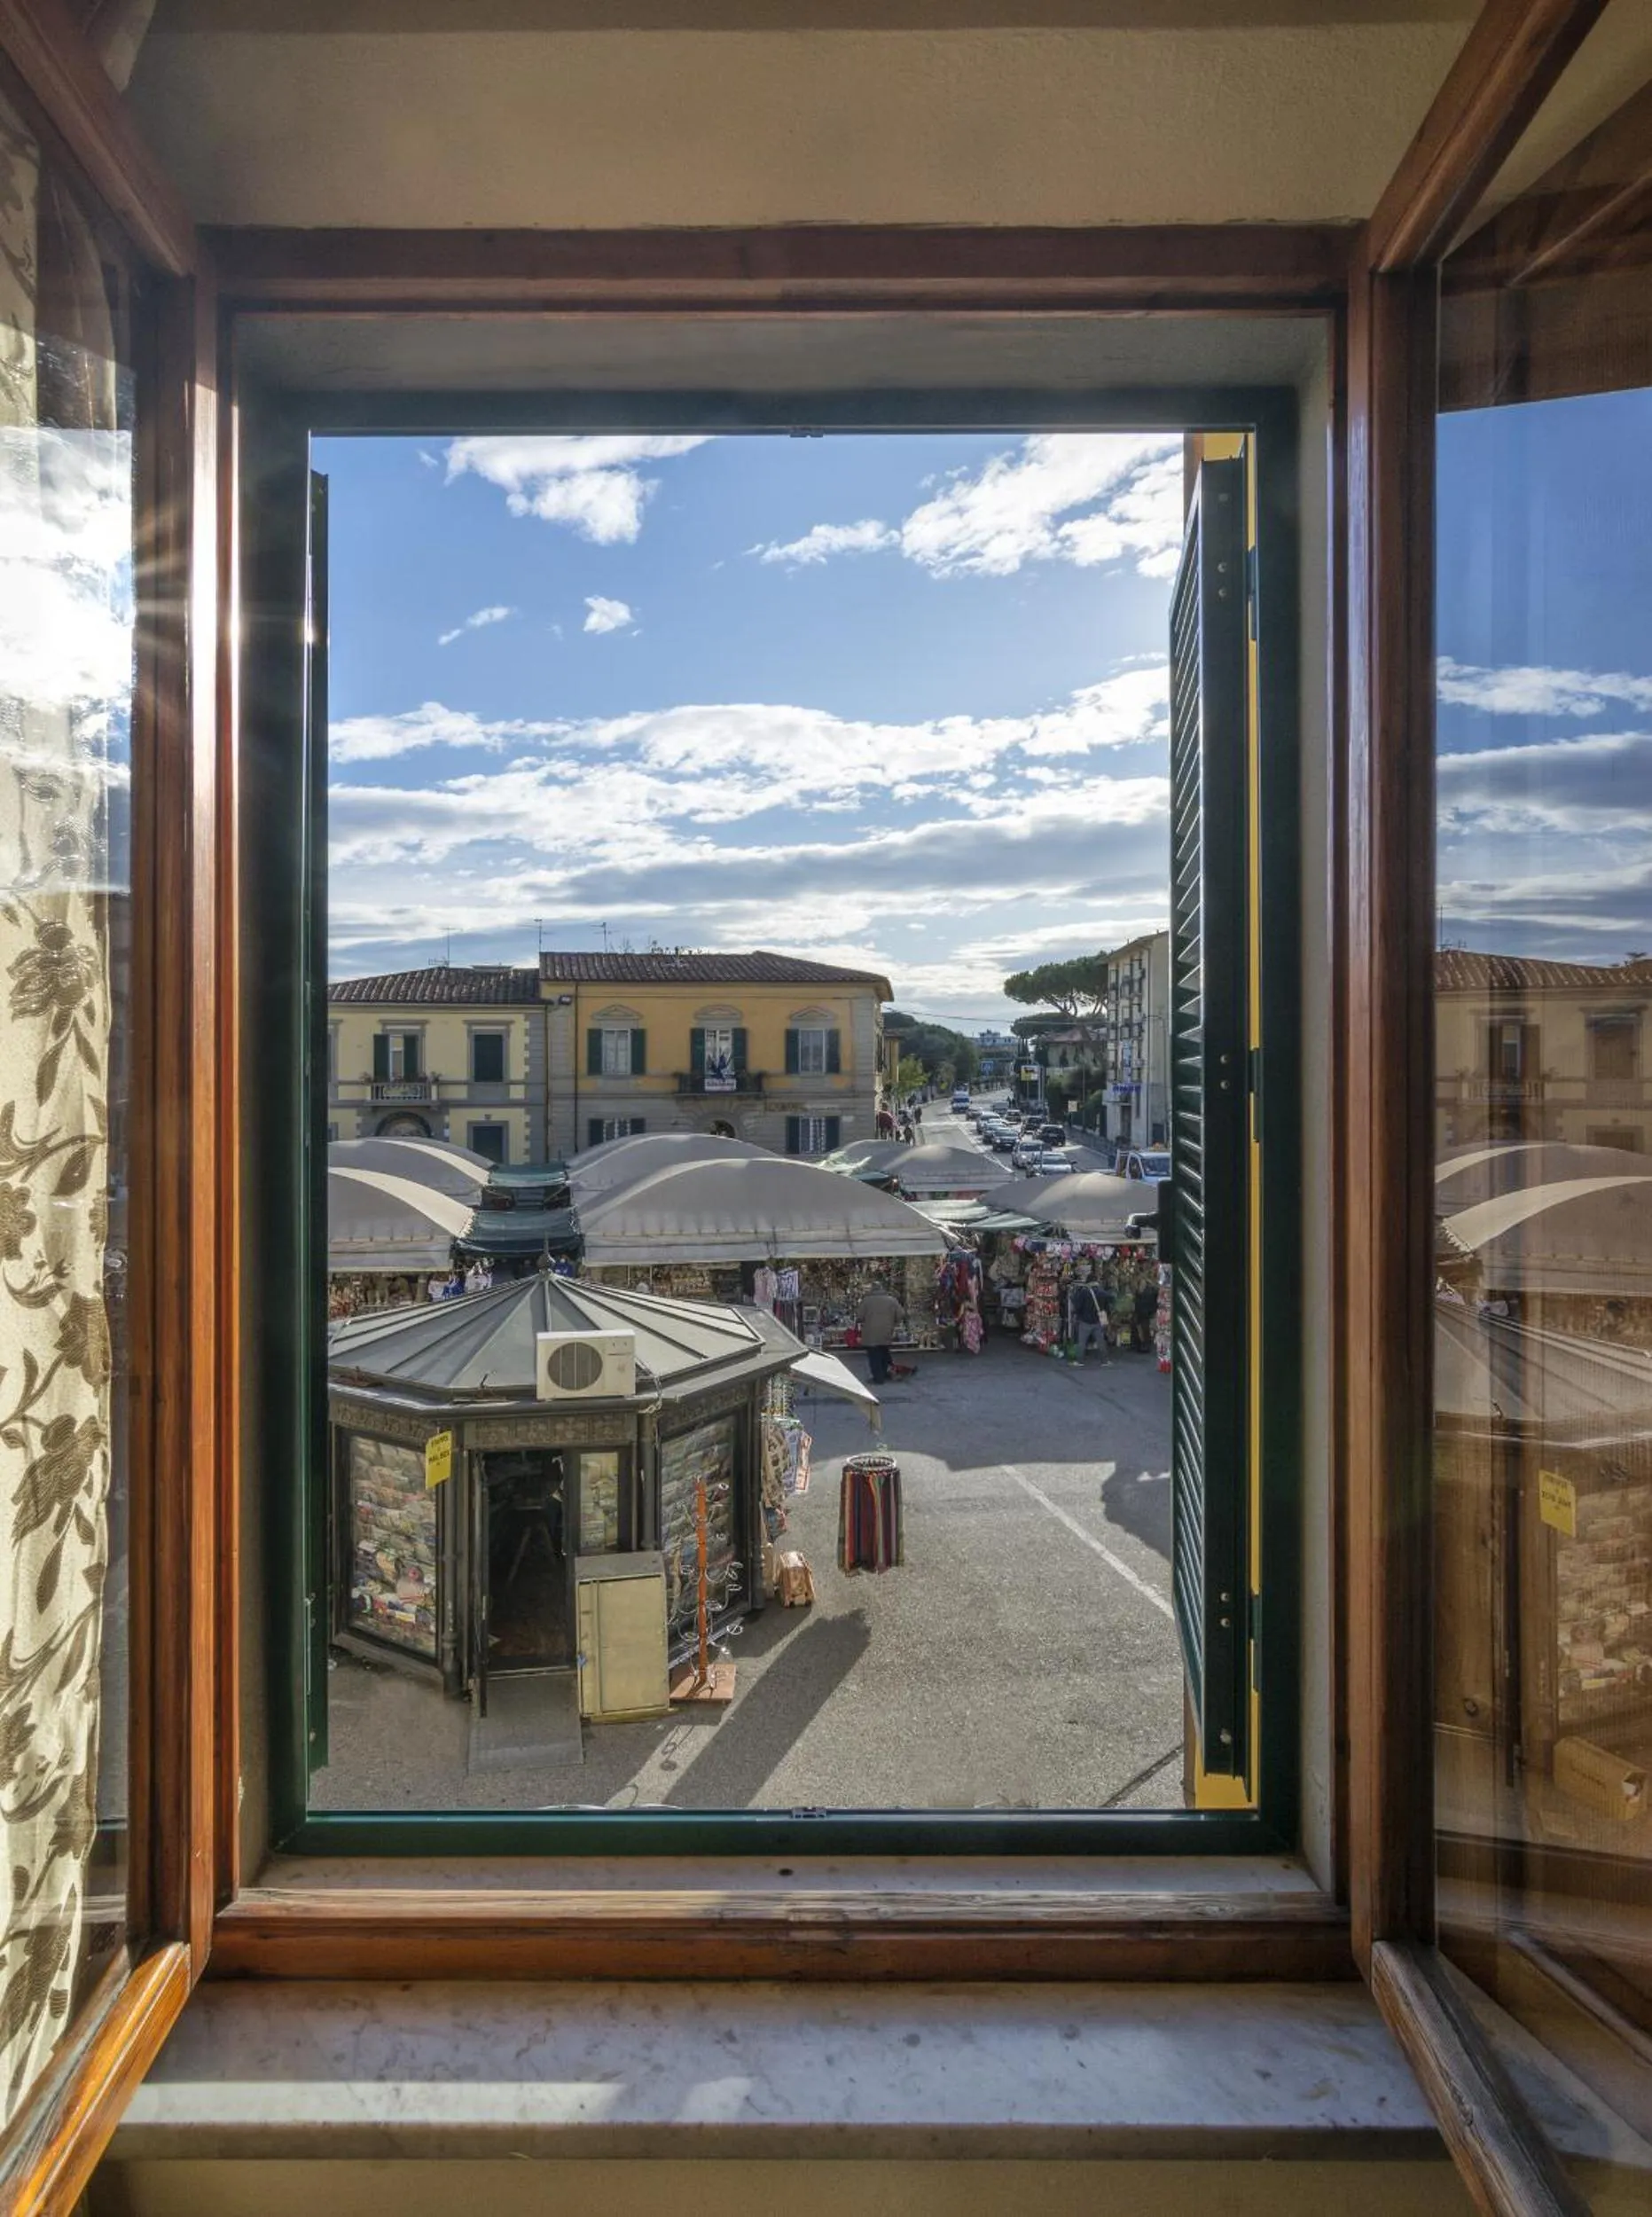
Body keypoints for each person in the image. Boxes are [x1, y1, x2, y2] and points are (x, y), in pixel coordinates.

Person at [857, 1278, 906, 1387]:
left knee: (874, 1356)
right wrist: (894, 1322)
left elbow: (859, 1316)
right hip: (887, 1332)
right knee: (884, 1353)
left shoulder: (866, 1301)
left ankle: (878, 1378)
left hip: (870, 1333)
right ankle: (883, 1374)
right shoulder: (892, 1300)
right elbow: (901, 1314)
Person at [1070, 1276, 1108, 1365]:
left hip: (1085, 1321)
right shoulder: (1102, 1292)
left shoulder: (1084, 1292)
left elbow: (1077, 1304)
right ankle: (1105, 1360)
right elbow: (1108, 1302)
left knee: (1082, 1343)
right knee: (1101, 1342)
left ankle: (1079, 1361)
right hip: (1098, 1320)